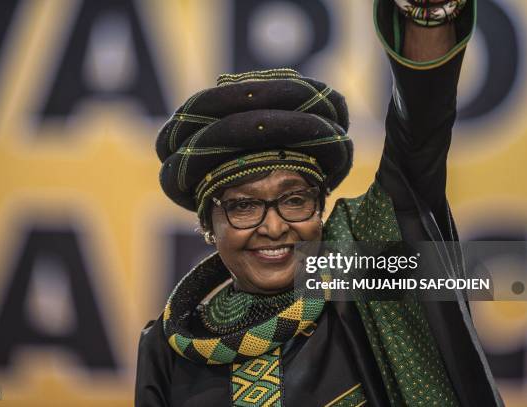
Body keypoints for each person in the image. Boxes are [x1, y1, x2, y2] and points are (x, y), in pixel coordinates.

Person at [136, 0, 503, 405]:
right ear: (208, 225)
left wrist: (427, 12)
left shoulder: (369, 280)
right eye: (243, 207)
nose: (274, 227)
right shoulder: (166, 352)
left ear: (322, 207)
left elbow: (419, 132)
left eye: (294, 200)